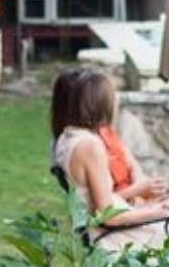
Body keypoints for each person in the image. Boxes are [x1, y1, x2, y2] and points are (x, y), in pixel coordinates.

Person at [51, 67, 169, 251]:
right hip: (118, 240)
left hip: (117, 230)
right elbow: (108, 216)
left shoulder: (66, 139)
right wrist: (159, 212)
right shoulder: (90, 146)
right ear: (97, 103)